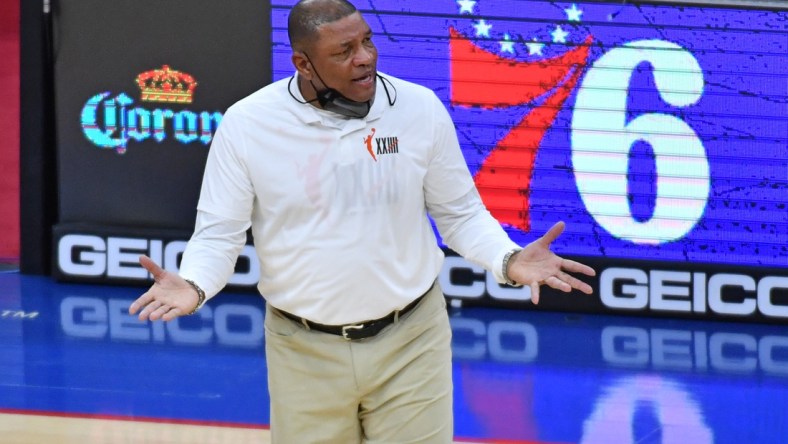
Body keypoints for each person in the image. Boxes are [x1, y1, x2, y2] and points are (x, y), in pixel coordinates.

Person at [129, 0, 596, 442]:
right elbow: (219, 234)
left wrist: (507, 259)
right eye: (344, 51)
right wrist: (194, 284)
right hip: (302, 349)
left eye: (367, 42)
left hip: (412, 340)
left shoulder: (418, 109)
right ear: (303, 64)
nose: (364, 58)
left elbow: (460, 214)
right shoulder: (248, 124)